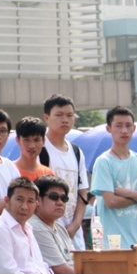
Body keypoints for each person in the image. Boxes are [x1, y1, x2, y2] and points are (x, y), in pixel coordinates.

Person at [90, 106, 137, 249]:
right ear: (108, 129)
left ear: (134, 128)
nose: (124, 130)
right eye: (119, 126)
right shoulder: (103, 162)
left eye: (128, 126)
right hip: (114, 244)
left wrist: (126, 193)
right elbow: (111, 201)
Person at [42, 94, 89, 250]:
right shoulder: (40, 149)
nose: (65, 120)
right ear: (46, 117)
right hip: (48, 233)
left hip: (74, 236)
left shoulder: (76, 152)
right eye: (59, 115)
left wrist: (75, 225)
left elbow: (82, 192)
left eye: (69, 115)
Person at [0, 177, 51, 274]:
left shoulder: (28, 228)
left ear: (36, 204)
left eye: (30, 201)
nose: (24, 207)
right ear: (7, 201)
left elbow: (40, 266)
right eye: (19, 199)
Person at [29, 175, 75, 274]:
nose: (60, 203)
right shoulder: (36, 227)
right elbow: (61, 270)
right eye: (54, 197)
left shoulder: (60, 227)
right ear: (38, 200)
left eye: (64, 198)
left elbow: (76, 261)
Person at [13, 116, 55, 182]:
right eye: (26, 140)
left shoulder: (48, 174)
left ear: (43, 141)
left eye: (36, 140)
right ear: (17, 140)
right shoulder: (10, 170)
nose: (32, 146)